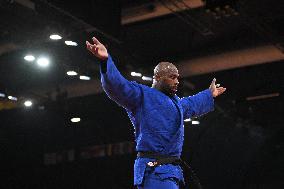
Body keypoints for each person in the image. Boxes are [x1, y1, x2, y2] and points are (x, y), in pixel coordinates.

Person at [86, 37, 226, 189]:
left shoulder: (177, 103)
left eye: (177, 77)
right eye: (172, 77)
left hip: (172, 172)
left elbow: (192, 104)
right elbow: (118, 86)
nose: (177, 81)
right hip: (153, 170)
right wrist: (106, 61)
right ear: (158, 77)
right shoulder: (142, 95)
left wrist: (209, 94)